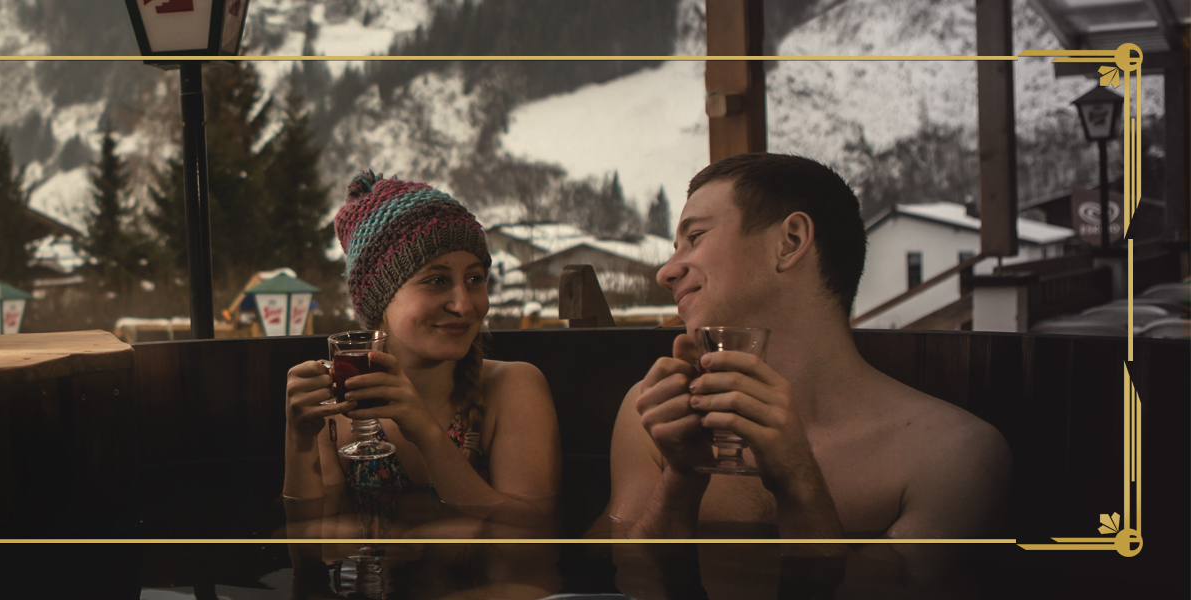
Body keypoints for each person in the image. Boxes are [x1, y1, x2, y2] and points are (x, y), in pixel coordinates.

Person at [601, 153, 1012, 548]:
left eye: (695, 237)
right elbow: (622, 579)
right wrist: (681, 478)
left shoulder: (949, 455)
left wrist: (799, 481)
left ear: (790, 242)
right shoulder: (651, 413)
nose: (666, 271)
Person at [281, 171, 562, 516]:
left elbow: (530, 534)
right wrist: (299, 437)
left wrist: (425, 433)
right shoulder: (335, 409)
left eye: (475, 279)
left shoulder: (513, 389)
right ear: (379, 300)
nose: (463, 305)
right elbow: (311, 537)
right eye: (437, 280)